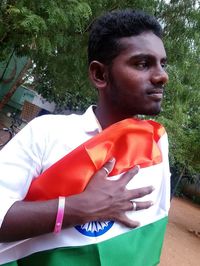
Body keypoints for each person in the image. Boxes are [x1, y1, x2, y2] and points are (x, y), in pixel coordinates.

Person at [0, 9, 171, 266]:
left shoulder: (155, 145)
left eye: (162, 64)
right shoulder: (47, 133)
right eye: (142, 64)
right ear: (100, 75)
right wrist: (80, 208)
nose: (161, 76)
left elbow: (149, 236)